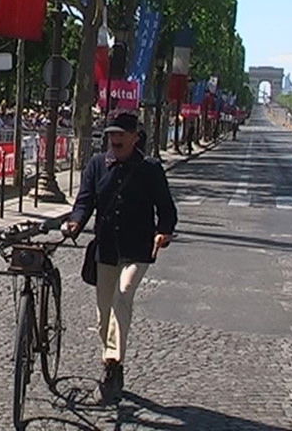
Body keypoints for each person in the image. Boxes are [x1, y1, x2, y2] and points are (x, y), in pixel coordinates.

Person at [63, 112, 178, 405]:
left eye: (120, 135)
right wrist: (75, 223)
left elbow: (166, 208)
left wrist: (164, 232)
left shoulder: (150, 168)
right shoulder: (97, 165)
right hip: (107, 248)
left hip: (138, 249)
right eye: (111, 134)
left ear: (134, 137)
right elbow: (85, 201)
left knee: (122, 297)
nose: (114, 139)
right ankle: (111, 360)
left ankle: (113, 363)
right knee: (103, 315)